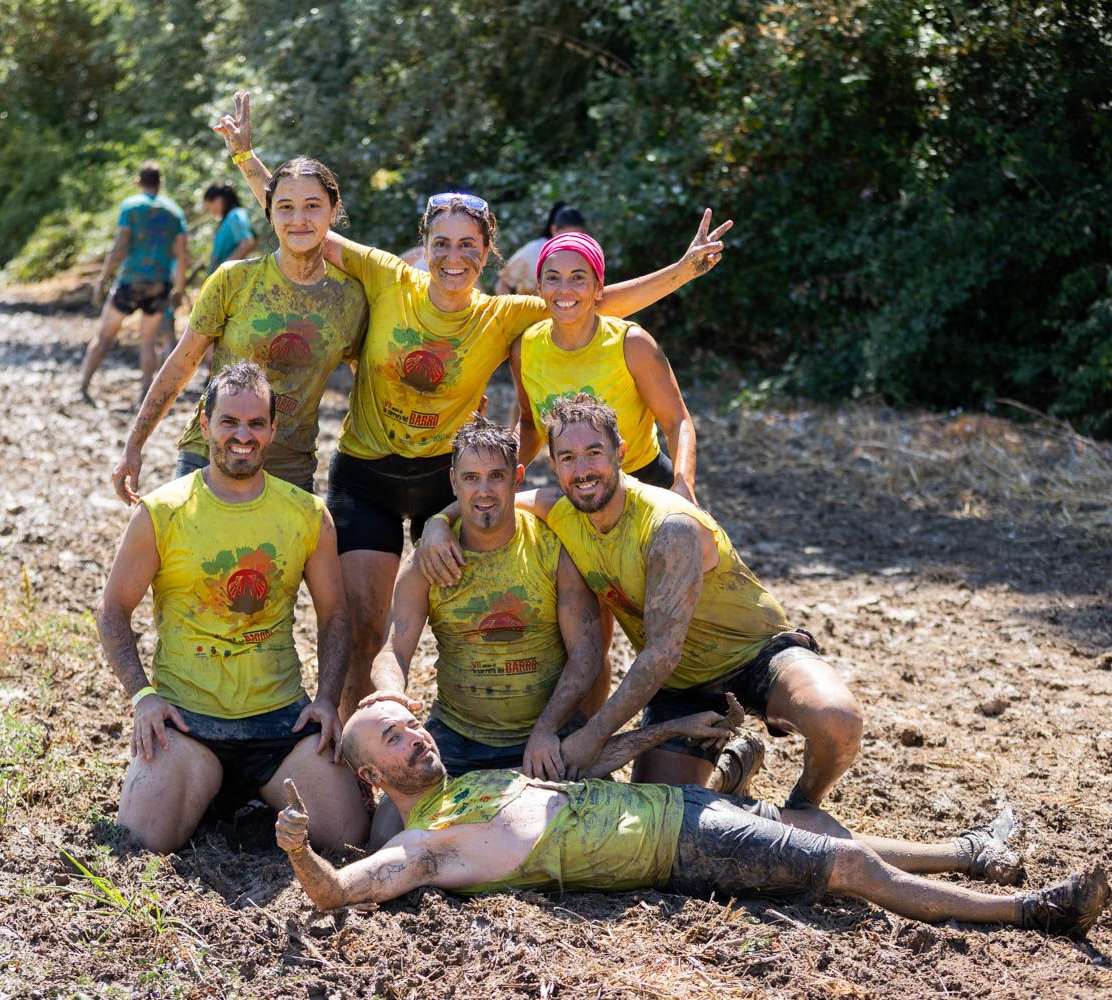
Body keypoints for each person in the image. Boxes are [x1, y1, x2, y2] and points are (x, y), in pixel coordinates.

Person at [215, 91, 731, 717]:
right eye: (442, 243)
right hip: (367, 472)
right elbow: (302, 220)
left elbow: (593, 299)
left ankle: (489, 729)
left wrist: (681, 269)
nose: (453, 256)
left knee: (471, 621)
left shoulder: (504, 314)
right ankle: (352, 752)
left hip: (446, 478)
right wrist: (247, 159)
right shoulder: (385, 275)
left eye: (468, 246)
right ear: (424, 245)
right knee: (364, 627)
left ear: (488, 254)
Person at [273, 701, 1111, 939]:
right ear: (367, 773)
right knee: (848, 871)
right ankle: (1037, 910)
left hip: (670, 805)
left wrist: (669, 734)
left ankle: (972, 855)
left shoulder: (479, 782)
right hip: (679, 847)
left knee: (814, 832)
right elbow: (342, 894)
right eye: (394, 736)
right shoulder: (426, 844)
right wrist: (305, 857)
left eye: (413, 723)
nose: (416, 734)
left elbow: (588, 763)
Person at [419, 395, 863, 810]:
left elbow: (661, 652)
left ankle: (804, 806)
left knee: (837, 719)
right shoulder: (561, 509)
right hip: (680, 688)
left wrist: (595, 733)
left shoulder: (669, 526)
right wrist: (438, 522)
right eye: (568, 458)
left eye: (594, 452)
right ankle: (733, 775)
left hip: (755, 655)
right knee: (662, 809)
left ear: (621, 452)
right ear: (553, 465)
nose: (583, 469)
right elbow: (489, 498)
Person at [97, 361, 369, 853]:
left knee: (350, 839)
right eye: (229, 421)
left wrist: (326, 699)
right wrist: (143, 697)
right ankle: (202, 788)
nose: (242, 435)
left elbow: (335, 617)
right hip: (187, 724)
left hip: (280, 723)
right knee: (138, 842)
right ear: (205, 425)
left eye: (256, 423)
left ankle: (240, 796)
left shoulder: (306, 514)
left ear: (272, 430)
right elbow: (113, 609)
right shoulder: (162, 512)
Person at [364, 417, 605, 779]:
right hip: (459, 735)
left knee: (599, 824)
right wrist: (393, 698)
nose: (484, 491)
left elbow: (586, 653)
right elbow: (394, 650)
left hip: (547, 731)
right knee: (389, 826)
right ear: (453, 482)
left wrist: (545, 730)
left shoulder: (552, 548)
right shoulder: (426, 561)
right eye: (471, 478)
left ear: (517, 478)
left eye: (496, 476)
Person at [113, 157, 367, 498]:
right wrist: (134, 444)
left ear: (333, 212)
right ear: (270, 213)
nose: (298, 219)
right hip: (209, 457)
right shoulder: (234, 279)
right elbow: (181, 363)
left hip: (288, 467)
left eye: (312, 206)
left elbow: (368, 383)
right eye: (286, 207)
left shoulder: (350, 298)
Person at [514, 232, 697, 499]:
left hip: (646, 485)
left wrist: (683, 485)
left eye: (578, 277)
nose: (564, 289)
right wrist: (503, 473)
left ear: (598, 288)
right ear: (540, 287)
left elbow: (677, 422)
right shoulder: (525, 348)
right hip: (577, 492)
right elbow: (530, 424)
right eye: (553, 277)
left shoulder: (632, 344)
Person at [81, 161, 192, 404]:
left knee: (104, 336)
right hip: (159, 283)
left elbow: (120, 244)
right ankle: (145, 393)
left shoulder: (131, 206)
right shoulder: (174, 211)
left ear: (139, 182)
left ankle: (84, 387)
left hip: (131, 280)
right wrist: (179, 288)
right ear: (160, 182)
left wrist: (103, 278)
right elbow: (182, 253)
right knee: (148, 340)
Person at [495, 202, 588, 296]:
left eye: (577, 238)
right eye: (567, 237)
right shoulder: (531, 252)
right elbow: (503, 284)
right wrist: (509, 309)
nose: (571, 242)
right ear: (554, 230)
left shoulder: (583, 257)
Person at [203, 183, 258, 273]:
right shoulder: (228, 219)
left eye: (210, 208)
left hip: (230, 278)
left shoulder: (236, 215)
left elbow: (247, 243)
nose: (211, 212)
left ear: (219, 199)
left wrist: (223, 270)